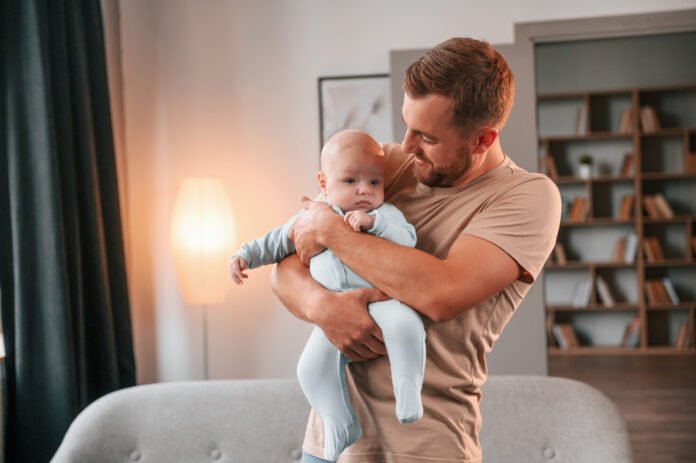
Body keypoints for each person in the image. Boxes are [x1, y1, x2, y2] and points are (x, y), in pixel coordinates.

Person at [271, 37, 562, 463]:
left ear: (483, 139)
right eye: (406, 124)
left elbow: (440, 293)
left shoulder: (528, 197)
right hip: (328, 446)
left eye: (426, 136)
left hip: (427, 447)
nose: (405, 146)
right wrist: (323, 308)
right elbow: (284, 266)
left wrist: (332, 232)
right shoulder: (387, 166)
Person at [230, 130, 427, 461]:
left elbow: (407, 239)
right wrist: (245, 255)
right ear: (323, 182)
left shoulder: (384, 214)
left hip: (382, 302)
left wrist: (374, 222)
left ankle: (408, 391)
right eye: (350, 181)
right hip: (333, 313)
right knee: (309, 369)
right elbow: (279, 240)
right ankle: (339, 421)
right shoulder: (311, 216)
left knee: (407, 328)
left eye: (374, 183)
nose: (364, 190)